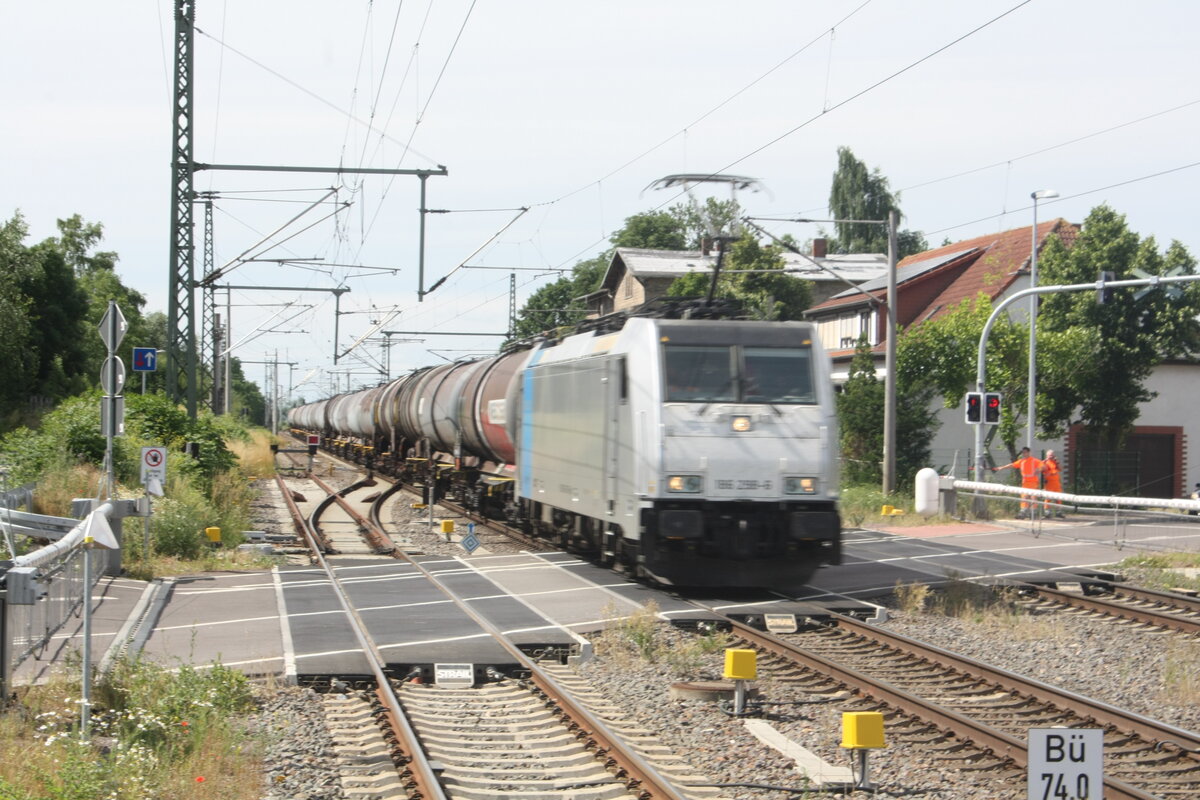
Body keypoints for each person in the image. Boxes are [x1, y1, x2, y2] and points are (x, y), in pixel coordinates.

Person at [994, 446, 1044, 519]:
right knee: (1024, 497)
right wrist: (1001, 467)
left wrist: (1039, 470)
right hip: (1025, 483)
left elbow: (1042, 465)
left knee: (1033, 498)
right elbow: (1012, 465)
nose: (1024, 454)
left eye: (1025, 452)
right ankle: (1023, 512)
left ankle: (1033, 513)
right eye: (1023, 452)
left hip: (1033, 482)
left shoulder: (1034, 460)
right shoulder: (1022, 461)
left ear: (1029, 452)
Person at [1041, 449, 1064, 518]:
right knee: (1048, 498)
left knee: (1058, 498)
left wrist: (1057, 462)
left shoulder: (1055, 462)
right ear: (1047, 455)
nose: (1051, 456)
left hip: (1056, 483)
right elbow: (1041, 468)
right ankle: (1047, 513)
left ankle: (1058, 512)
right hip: (1049, 483)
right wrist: (1045, 460)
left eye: (1052, 455)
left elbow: (1061, 469)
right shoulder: (1045, 462)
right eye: (1050, 455)